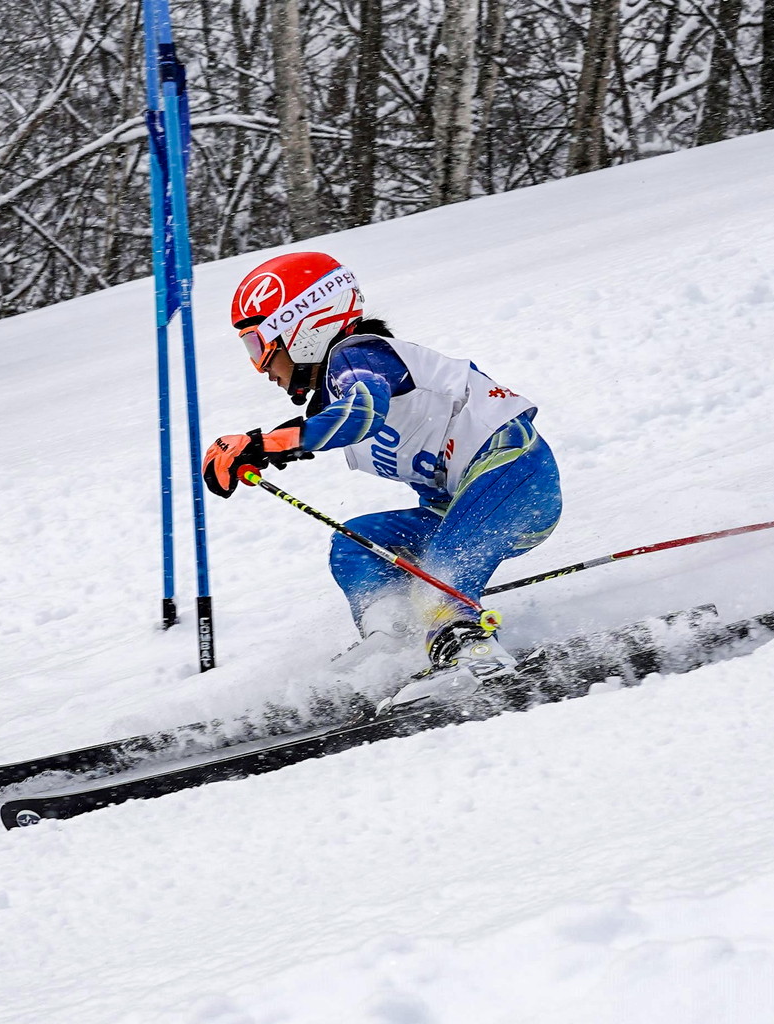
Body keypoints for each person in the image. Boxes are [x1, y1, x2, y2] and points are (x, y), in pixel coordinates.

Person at [202, 250, 562, 701]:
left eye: (258, 347)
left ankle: (472, 654)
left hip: (515, 474)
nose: (261, 367)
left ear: (301, 327)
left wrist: (263, 443)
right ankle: (390, 640)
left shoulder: (359, 357)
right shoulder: (338, 386)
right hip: (465, 504)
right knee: (356, 543)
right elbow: (338, 419)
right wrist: (269, 450)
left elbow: (362, 412)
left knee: (443, 568)